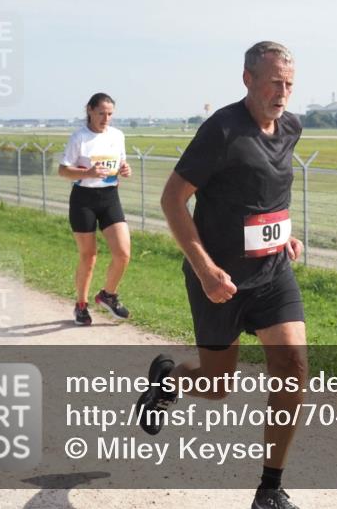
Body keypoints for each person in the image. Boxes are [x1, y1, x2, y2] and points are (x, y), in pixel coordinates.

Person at [138, 41, 306, 509]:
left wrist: (284, 233)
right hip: (220, 282)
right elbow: (172, 199)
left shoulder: (291, 126)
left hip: (272, 274)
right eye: (274, 82)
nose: (283, 93)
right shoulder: (223, 130)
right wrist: (206, 268)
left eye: (290, 84)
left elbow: (270, 188)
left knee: (293, 365)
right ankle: (169, 380)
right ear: (248, 79)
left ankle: (269, 489)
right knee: (215, 386)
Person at [58, 92, 132, 326]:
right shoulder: (79, 137)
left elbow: (119, 163)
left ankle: (107, 295)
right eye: (101, 113)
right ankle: (81, 305)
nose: (106, 118)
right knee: (89, 256)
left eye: (110, 114)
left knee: (123, 253)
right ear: (89, 110)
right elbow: (63, 170)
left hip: (110, 197)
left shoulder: (117, 136)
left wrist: (124, 169)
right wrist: (86, 173)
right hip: (84, 200)